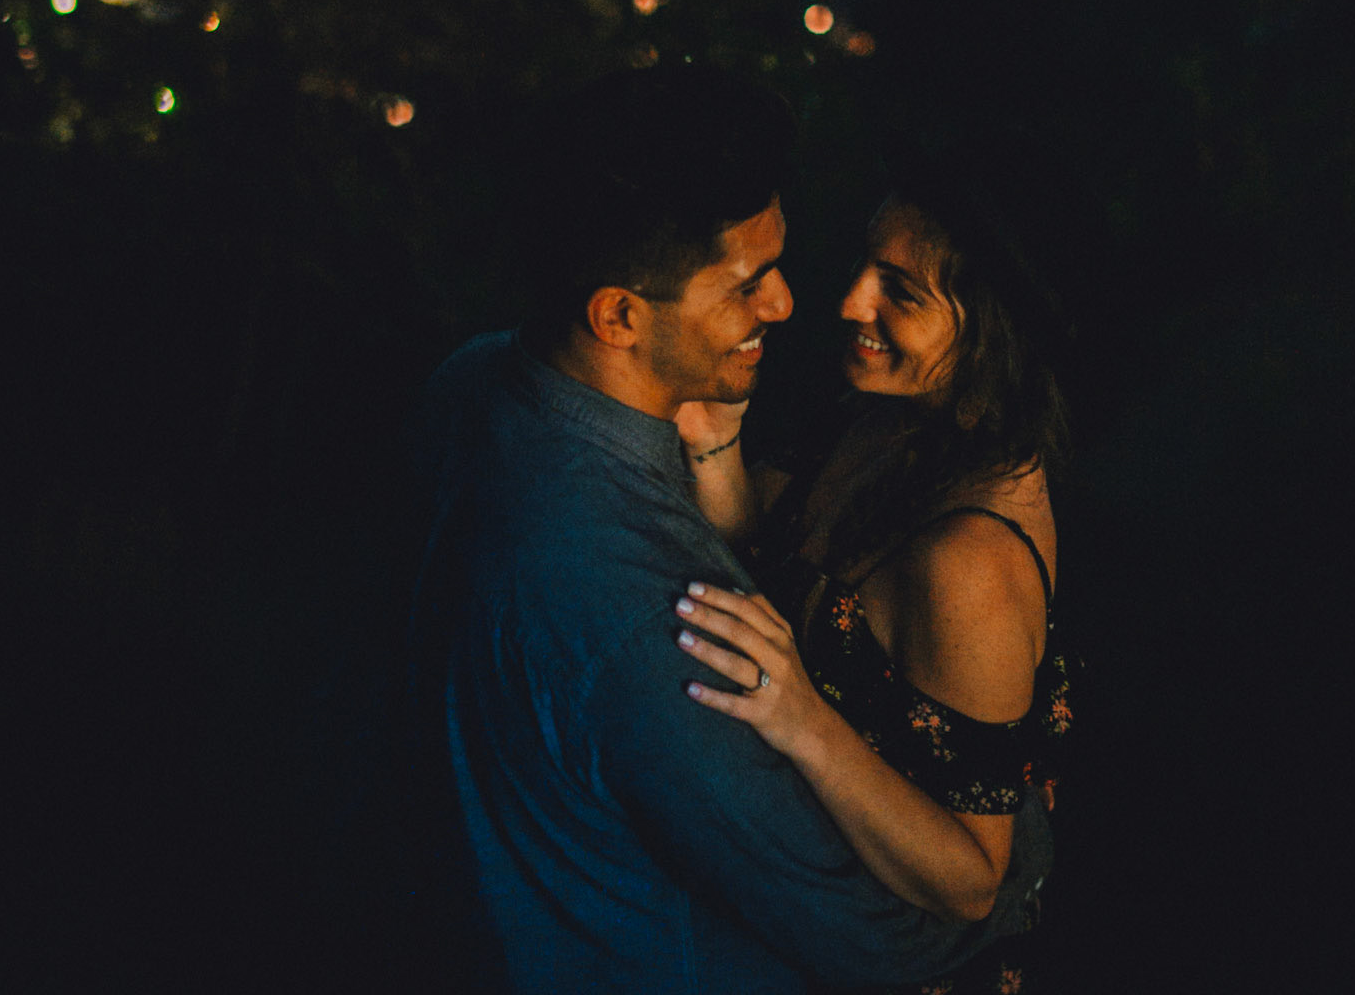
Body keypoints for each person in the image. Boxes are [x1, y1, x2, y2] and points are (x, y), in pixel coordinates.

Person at [406, 70, 1051, 994]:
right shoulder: (662, 626)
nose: (791, 305)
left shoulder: (470, 387)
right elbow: (883, 937)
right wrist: (1026, 832)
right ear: (620, 315)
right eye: (749, 284)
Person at [675, 153, 1075, 994]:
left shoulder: (970, 561)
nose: (851, 301)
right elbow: (788, 557)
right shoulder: (902, 419)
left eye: (903, 292)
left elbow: (971, 879)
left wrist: (802, 719)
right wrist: (716, 441)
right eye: (866, 264)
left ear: (990, 327)